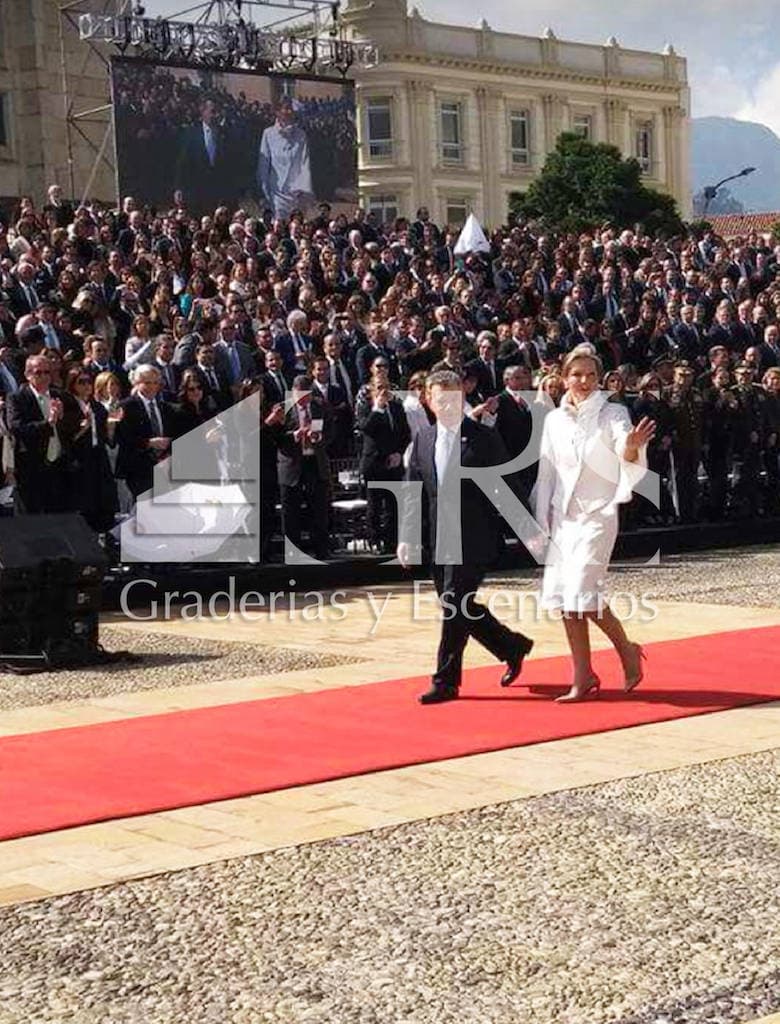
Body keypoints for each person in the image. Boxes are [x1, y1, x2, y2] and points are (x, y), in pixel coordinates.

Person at [397, 369, 535, 705]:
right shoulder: (423, 440)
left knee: (454, 605)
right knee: (457, 606)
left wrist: (528, 531)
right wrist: (407, 537)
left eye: (453, 398)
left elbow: (506, 487)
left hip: (474, 537)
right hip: (438, 539)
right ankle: (511, 645)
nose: (446, 405)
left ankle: (445, 681)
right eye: (439, 399)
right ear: (428, 401)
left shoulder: (483, 439)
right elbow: (412, 491)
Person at [533, 345, 654, 702]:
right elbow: (547, 471)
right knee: (567, 598)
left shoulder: (613, 412)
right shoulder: (554, 420)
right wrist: (541, 521)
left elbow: (624, 448)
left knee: (582, 589)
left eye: (589, 374)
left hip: (598, 514)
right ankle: (583, 674)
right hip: (563, 518)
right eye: (576, 374)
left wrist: (632, 447)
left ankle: (626, 650)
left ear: (598, 377)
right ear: (564, 377)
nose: (583, 381)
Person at [257, 98, 314, 220]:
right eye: (285, 108)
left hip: (296, 192)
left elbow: (304, 162)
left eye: (290, 108)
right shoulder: (268, 134)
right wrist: (264, 189)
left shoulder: (301, 135)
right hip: (276, 191)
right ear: (277, 111)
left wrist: (302, 188)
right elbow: (264, 164)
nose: (288, 112)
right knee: (279, 225)